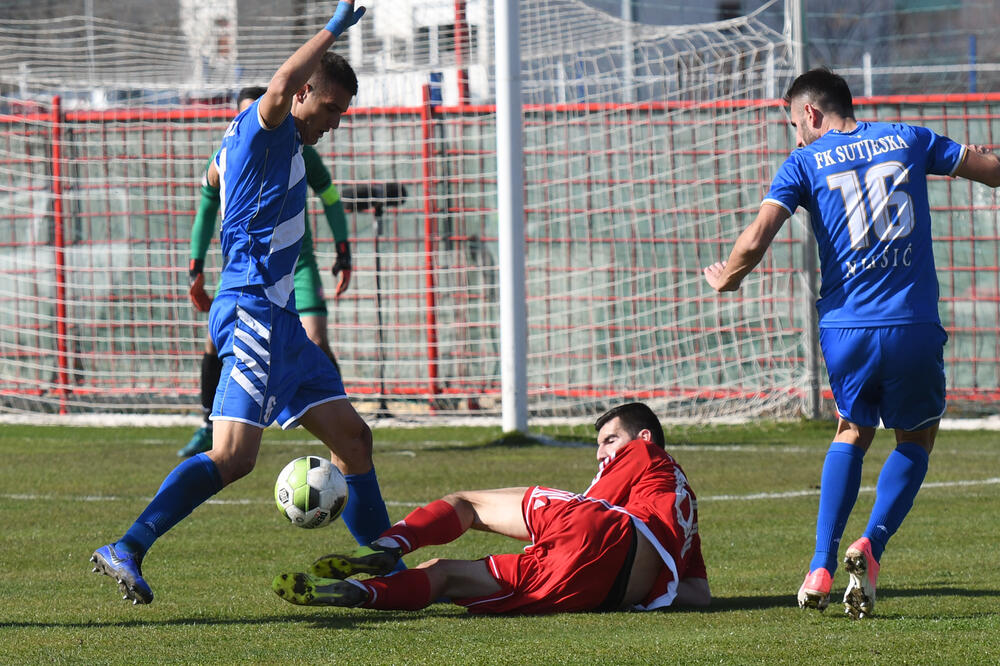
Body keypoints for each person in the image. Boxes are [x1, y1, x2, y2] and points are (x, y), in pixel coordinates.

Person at [90, 0, 384, 606]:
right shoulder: (264, 126)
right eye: (331, 108)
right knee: (232, 456)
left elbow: (221, 179)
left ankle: (389, 566)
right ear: (303, 93)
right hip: (251, 307)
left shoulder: (279, 142)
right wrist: (332, 28)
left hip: (281, 320)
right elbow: (277, 87)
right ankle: (128, 546)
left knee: (353, 440)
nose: (335, 122)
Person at [702, 67, 1000, 619]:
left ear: (811, 113)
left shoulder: (803, 163)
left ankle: (820, 564)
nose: (795, 135)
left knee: (851, 430)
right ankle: (872, 543)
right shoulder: (909, 138)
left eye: (795, 124)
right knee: (917, 436)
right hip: (911, 324)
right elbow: (991, 171)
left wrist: (728, 279)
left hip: (845, 329)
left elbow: (757, 237)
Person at [272, 402, 710, 614]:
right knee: (443, 576)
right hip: (598, 592)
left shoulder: (646, 455)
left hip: (602, 534)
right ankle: (360, 593)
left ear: (643, 439)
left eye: (609, 441)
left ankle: (388, 546)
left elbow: (593, 514)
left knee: (467, 503)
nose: (601, 454)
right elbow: (696, 594)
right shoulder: (686, 515)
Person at [179, 85, 354, 458]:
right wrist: (196, 264)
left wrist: (343, 247)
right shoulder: (228, 155)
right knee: (214, 342)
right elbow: (206, 208)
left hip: (297, 266)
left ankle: (338, 423)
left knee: (316, 339)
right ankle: (209, 424)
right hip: (247, 272)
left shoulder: (299, 148)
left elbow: (330, 196)